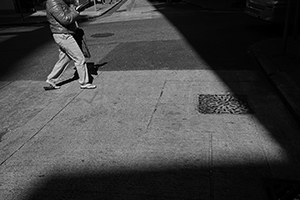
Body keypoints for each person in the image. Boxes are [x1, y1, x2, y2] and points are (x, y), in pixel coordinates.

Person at [45, 0, 96, 90]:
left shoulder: (59, 1)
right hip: (63, 35)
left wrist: (76, 9)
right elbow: (65, 19)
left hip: (65, 33)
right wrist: (76, 12)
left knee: (65, 59)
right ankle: (84, 82)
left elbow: (67, 14)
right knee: (79, 58)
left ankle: (51, 80)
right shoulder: (53, 2)